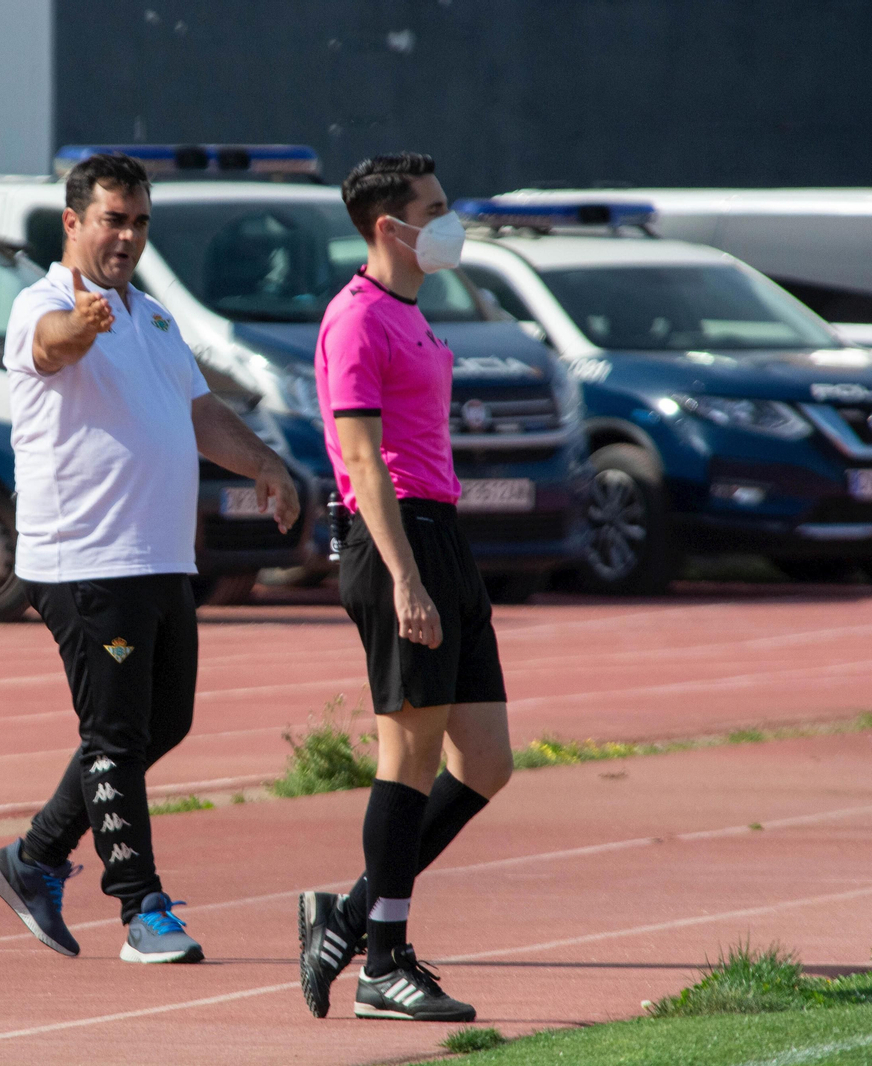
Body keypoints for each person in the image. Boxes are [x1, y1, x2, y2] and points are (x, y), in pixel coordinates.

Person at [0, 152, 301, 964]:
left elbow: (198, 410)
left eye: (139, 222)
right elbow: (50, 349)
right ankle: (141, 910)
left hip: (158, 556)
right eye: (113, 219)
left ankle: (36, 856)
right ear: (74, 223)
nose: (127, 236)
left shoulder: (152, 317)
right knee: (116, 735)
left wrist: (266, 465)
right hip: (84, 559)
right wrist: (78, 329)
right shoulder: (44, 305)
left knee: (164, 722)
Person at [298, 153, 514, 1021]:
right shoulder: (354, 321)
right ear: (390, 227)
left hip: (442, 534)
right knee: (409, 756)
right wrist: (404, 579)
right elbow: (360, 458)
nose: (448, 220)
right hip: (398, 543)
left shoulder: (410, 314)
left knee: (488, 761)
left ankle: (347, 912)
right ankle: (382, 961)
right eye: (434, 208)